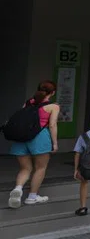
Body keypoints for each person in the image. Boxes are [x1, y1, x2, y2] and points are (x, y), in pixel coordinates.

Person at [7, 80, 60, 208]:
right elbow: (52, 125)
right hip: (39, 138)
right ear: (52, 93)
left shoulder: (28, 102)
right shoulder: (53, 106)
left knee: (25, 168)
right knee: (40, 168)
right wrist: (55, 143)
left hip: (21, 138)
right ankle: (32, 196)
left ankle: (18, 189)